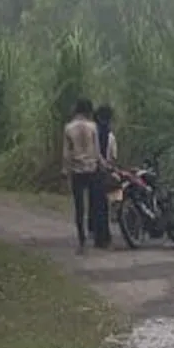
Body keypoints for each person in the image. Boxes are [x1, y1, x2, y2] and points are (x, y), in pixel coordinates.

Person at [61, 99, 103, 253]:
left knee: (79, 207)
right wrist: (102, 164)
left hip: (77, 170)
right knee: (95, 203)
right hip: (92, 168)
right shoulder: (93, 126)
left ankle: (82, 241)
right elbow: (97, 150)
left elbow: (66, 153)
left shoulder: (68, 128)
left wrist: (65, 170)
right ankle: (97, 235)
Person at [92, 104, 118, 247]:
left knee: (96, 205)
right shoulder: (110, 136)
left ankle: (97, 235)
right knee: (104, 205)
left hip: (93, 171)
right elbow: (113, 157)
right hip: (105, 172)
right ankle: (104, 237)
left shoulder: (93, 132)